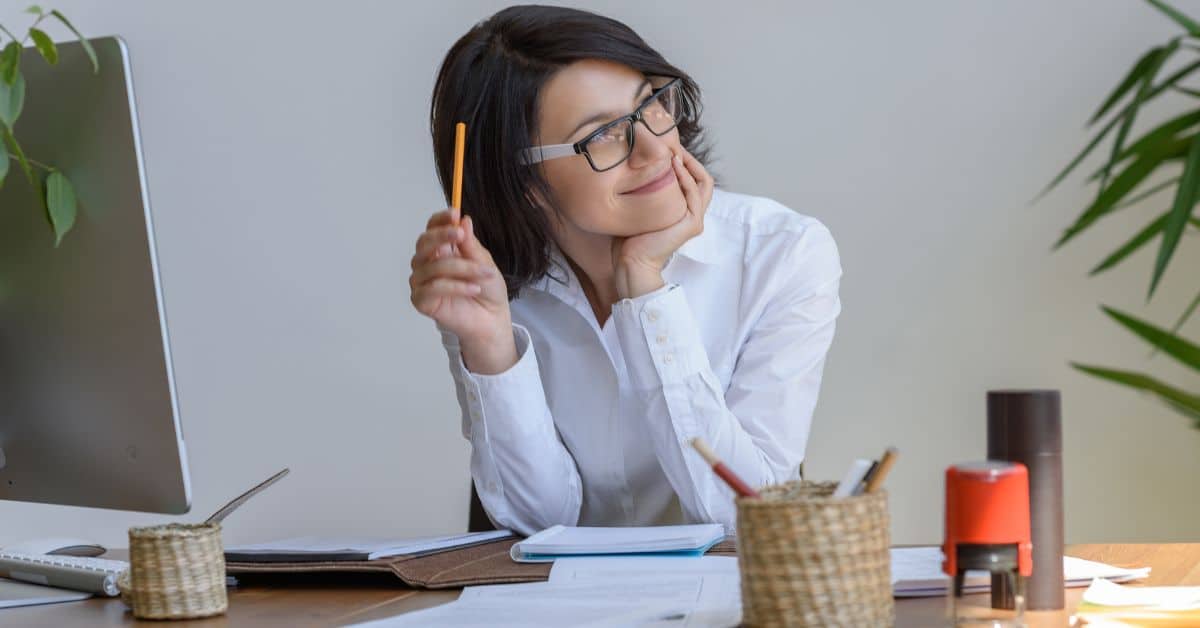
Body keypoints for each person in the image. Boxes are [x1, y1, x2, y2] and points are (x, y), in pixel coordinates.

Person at [409, 5, 842, 536]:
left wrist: (645, 289)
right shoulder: (483, 283)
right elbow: (541, 523)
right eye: (605, 135)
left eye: (652, 104)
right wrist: (490, 345)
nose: (656, 147)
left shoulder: (781, 253)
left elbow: (750, 514)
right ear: (520, 178)